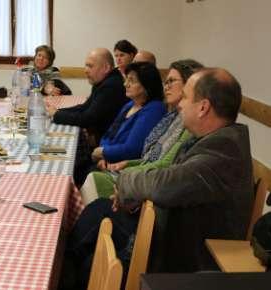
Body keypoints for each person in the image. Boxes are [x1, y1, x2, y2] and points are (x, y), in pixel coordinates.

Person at [62, 68, 253, 289]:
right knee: (95, 221)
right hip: (169, 234)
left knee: (90, 258)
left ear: (203, 107)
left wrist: (125, 185)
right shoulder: (217, 140)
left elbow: (165, 184)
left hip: (186, 260)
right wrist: (134, 195)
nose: (180, 104)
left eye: (186, 97)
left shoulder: (224, 151)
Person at [80, 59, 203, 204]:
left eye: (171, 81)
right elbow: (110, 133)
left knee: (88, 175)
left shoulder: (158, 110)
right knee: (83, 168)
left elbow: (148, 156)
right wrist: (105, 154)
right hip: (129, 166)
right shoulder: (136, 106)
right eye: (166, 82)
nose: (166, 87)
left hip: (147, 181)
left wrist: (110, 156)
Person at [46, 48, 128, 185]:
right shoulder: (104, 82)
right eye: (85, 65)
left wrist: (57, 115)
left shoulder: (111, 86)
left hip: (105, 149)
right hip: (100, 142)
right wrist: (57, 112)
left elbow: (87, 118)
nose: (85, 70)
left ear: (106, 67)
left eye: (90, 66)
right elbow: (85, 107)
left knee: (65, 160)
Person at [78, 62, 166, 186]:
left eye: (132, 81)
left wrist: (103, 152)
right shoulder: (130, 104)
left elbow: (132, 149)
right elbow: (109, 134)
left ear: (147, 85)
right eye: (126, 79)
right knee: (77, 167)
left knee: (80, 174)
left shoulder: (154, 109)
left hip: (125, 169)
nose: (125, 84)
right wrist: (103, 155)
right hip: (108, 159)